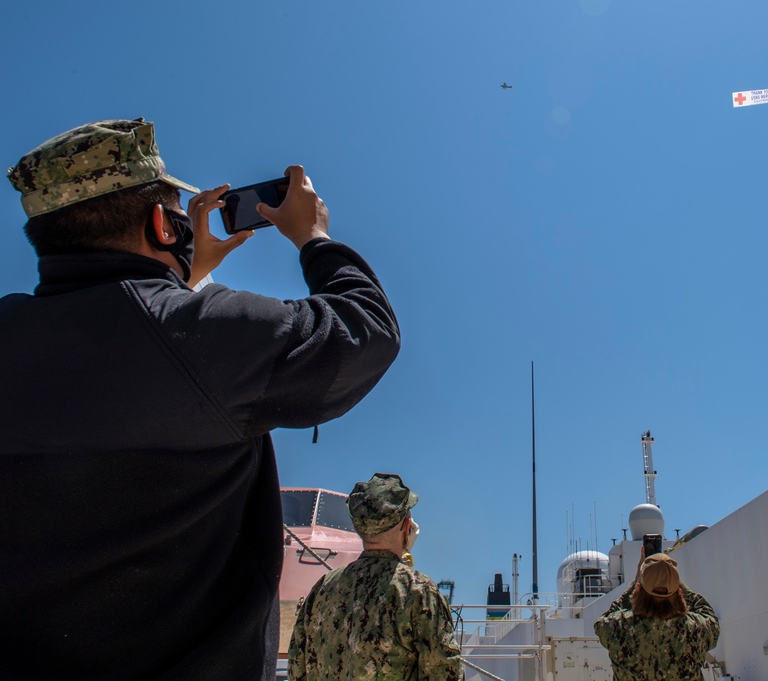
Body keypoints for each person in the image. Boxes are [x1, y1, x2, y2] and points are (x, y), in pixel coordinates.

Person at [1, 118, 401, 680]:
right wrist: (314, 237)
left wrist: (181, 276)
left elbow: (122, 342)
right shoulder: (201, 337)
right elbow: (364, 334)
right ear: (166, 224)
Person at [287, 473, 463, 680]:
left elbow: (297, 667)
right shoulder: (419, 592)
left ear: (357, 527)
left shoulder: (323, 588)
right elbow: (443, 673)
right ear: (407, 526)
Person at [594, 551, 719, 681]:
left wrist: (638, 578)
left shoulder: (618, 627)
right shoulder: (696, 629)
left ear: (638, 588)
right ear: (679, 591)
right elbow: (709, 617)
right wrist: (673, 579)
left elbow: (603, 621)